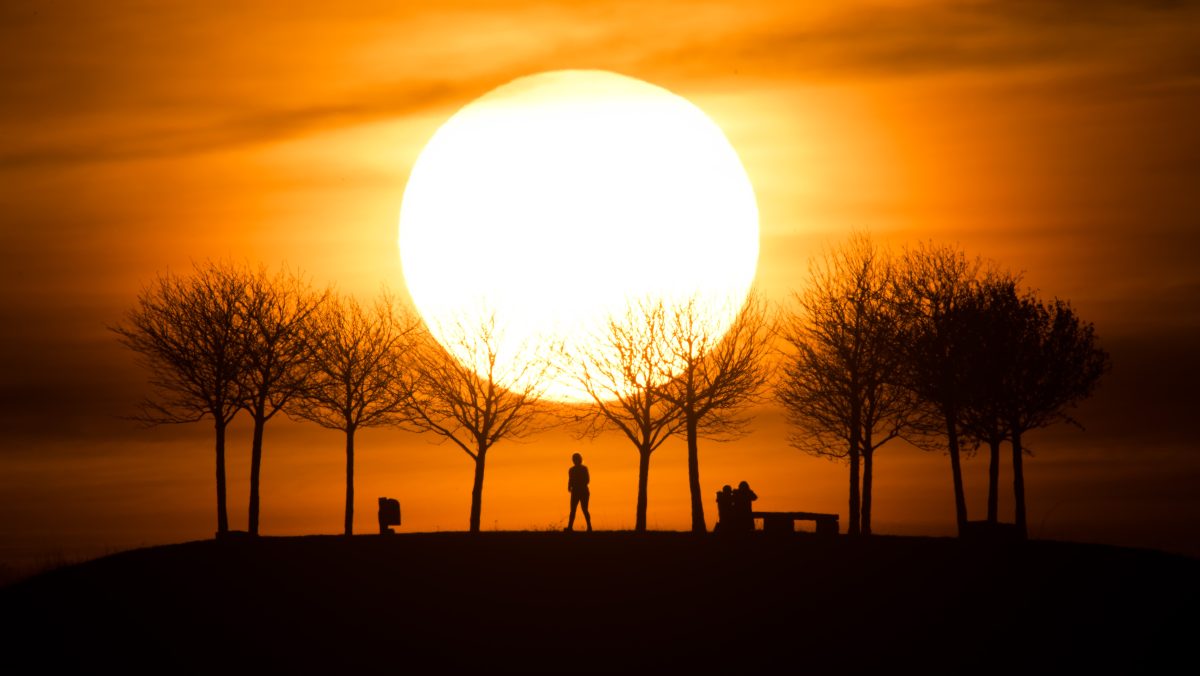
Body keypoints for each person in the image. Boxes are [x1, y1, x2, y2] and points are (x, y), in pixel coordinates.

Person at [566, 452, 592, 532]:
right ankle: (570, 527)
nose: (574, 460)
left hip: (583, 491)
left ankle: (589, 527)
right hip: (576, 491)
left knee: (584, 509)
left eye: (576, 459)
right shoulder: (571, 470)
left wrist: (575, 485)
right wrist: (569, 487)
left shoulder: (584, 468)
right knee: (573, 510)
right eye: (574, 459)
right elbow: (570, 479)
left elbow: (587, 480)